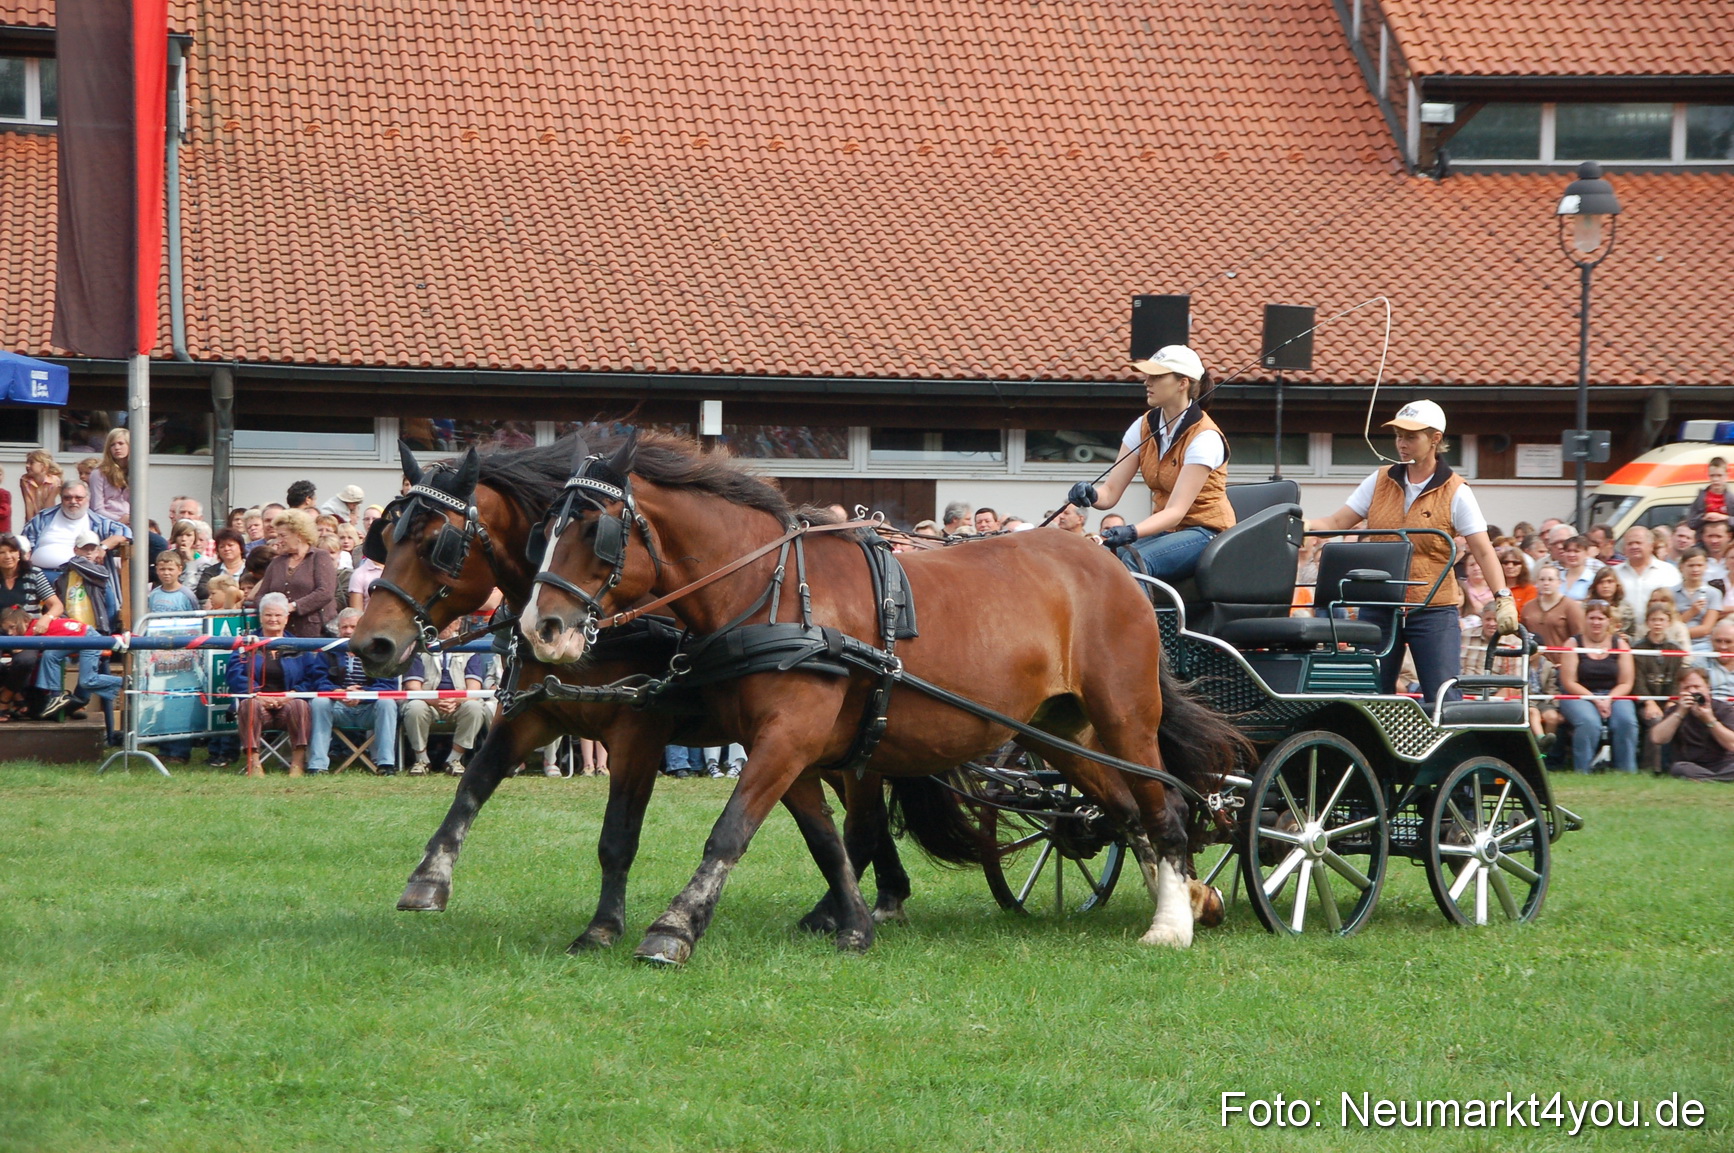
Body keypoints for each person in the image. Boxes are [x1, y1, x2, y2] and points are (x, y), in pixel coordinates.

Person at [1305, 400, 1516, 704]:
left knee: (1444, 696)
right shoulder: (1379, 481)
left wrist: (1503, 598)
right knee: (1371, 695)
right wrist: (1305, 524)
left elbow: (1483, 551)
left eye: (1411, 437)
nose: (1401, 444)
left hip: (1433, 609)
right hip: (1379, 606)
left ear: (1435, 439)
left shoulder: (1456, 491)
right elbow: (1337, 522)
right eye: (1398, 436)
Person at [1068, 344, 1234, 581]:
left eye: (1156, 376)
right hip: (1167, 531)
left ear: (1182, 383)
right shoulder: (1143, 425)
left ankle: (1144, 620)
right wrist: (1091, 494)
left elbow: (1176, 512)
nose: (1147, 381)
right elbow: (1110, 492)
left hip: (1205, 532)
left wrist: (1131, 531)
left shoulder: (1205, 437)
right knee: (1097, 556)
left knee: (1136, 560)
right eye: (1148, 375)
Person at [302, 608, 399, 775]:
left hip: (368, 709)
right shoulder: (328, 651)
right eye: (344, 627)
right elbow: (317, 681)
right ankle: (318, 765)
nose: (348, 631)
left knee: (387, 702)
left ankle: (386, 765)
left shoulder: (379, 652)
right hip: (338, 707)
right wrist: (337, 692)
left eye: (353, 627)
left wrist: (363, 694)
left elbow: (389, 685)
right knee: (319, 702)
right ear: (338, 630)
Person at [227, 593, 313, 777]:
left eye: (278, 615)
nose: (273, 619)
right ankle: (254, 763)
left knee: (300, 705)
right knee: (249, 706)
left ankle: (297, 763)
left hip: (288, 705)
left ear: (286, 618)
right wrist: (258, 695)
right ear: (260, 617)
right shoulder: (246, 645)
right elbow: (235, 675)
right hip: (259, 704)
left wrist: (292, 694)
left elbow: (311, 677)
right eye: (268, 615)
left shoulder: (299, 645)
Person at [401, 621, 496, 775]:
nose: (444, 624)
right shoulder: (419, 647)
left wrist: (456, 700)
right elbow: (413, 687)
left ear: (458, 624)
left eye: (451, 620)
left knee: (476, 708)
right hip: (427, 702)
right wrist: (435, 700)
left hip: (459, 703)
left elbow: (474, 689)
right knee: (414, 707)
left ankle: (453, 760)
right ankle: (422, 760)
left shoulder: (470, 648)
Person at [1557, 600, 1637, 773]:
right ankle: (1583, 771)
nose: (1596, 622)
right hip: (1578, 694)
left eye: (1601, 618)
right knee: (1588, 722)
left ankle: (1627, 771)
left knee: (1627, 721)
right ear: (1584, 619)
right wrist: (1595, 700)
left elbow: (1626, 682)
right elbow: (1569, 682)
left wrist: (1608, 700)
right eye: (1591, 617)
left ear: (1608, 621)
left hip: (1613, 693)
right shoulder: (1572, 643)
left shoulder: (1620, 644)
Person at [249, 509, 338, 637]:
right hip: (282, 634)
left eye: (283, 535)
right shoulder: (276, 562)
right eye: (277, 535)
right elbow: (259, 595)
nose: (278, 540)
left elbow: (325, 592)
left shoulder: (319, 557)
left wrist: (293, 606)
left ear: (299, 535)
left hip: (315, 633)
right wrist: (271, 610)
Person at [20, 482, 129, 573]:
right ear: (61, 499)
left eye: (78, 498)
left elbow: (125, 531)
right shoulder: (43, 518)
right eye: (67, 498)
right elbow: (24, 540)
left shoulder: (98, 522)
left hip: (82, 576)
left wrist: (103, 547)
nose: (73, 501)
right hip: (41, 575)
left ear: (88, 499)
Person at [1649, 666, 1734, 782]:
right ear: (1680, 691)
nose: (1693, 692)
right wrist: (1680, 713)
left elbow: (1732, 744)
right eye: (1687, 688)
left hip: (1724, 764)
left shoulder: (1723, 709)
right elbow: (1657, 738)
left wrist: (1709, 720)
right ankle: (1720, 780)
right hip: (1691, 765)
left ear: (1707, 687)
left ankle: (1709, 780)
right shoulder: (1674, 711)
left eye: (1697, 687)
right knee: (1678, 768)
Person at [1633, 600, 1687, 773]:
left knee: (1676, 718)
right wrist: (1649, 703)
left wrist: (1672, 702)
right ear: (1647, 622)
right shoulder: (1638, 649)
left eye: (1661, 620)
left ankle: (1675, 764)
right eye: (1654, 619)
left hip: (1669, 701)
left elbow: (1679, 680)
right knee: (1655, 720)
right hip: (1646, 702)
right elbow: (1637, 680)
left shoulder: (1675, 650)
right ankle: (1652, 767)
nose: (1657, 623)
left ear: (1669, 622)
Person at [1613, 524, 1680, 609]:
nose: (1634, 547)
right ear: (1624, 549)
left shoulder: (1668, 571)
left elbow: (1676, 604)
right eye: (1629, 544)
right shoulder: (1614, 573)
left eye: (1638, 543)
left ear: (1651, 546)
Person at [1673, 546, 1722, 651]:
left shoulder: (1714, 593)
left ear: (1706, 567)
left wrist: (1677, 632)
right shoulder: (1670, 592)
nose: (1695, 569)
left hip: (1702, 645)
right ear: (1682, 567)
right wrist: (1691, 612)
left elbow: (1706, 629)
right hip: (1674, 643)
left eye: (1699, 565)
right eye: (1691, 565)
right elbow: (1671, 625)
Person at [86, 428, 132, 524]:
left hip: (132, 522)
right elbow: (97, 508)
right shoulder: (98, 473)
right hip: (107, 523)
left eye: (120, 443)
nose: (117, 448)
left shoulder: (135, 473)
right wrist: (119, 520)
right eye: (112, 445)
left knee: (157, 539)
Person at [195, 528, 249, 605]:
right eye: (222, 546)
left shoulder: (251, 569)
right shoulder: (210, 571)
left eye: (230, 545)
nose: (226, 549)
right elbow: (202, 591)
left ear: (241, 547)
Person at [1587, 566, 1636, 639]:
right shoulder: (1587, 607)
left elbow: (1633, 634)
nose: (1605, 586)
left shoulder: (1626, 608)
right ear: (1595, 586)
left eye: (1610, 582)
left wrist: (1627, 638)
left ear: (1616, 584)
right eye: (1601, 582)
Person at [1687, 456, 1732, 531]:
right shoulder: (1701, 498)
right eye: (1712, 475)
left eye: (1719, 475)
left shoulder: (1731, 499)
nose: (1715, 479)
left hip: (1726, 540)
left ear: (1726, 476)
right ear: (1708, 476)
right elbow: (1691, 522)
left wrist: (1724, 517)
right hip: (1704, 540)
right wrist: (1704, 517)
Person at [19, 449, 60, 520]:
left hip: (49, 516)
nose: (27, 465)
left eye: (31, 463)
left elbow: (49, 506)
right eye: (27, 462)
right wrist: (30, 524)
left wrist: (44, 524)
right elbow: (28, 504)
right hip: (34, 516)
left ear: (44, 466)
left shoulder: (54, 481)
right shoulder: (25, 480)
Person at [1498, 545, 1536, 612]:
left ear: (1522, 566)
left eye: (1515, 563)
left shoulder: (1530, 589)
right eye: (1506, 562)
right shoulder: (1494, 587)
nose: (1510, 566)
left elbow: (1526, 614)